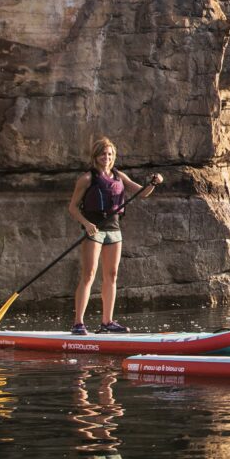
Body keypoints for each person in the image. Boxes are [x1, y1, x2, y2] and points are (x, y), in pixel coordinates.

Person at [65, 137, 162, 334]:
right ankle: (78, 323)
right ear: (95, 156)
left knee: (112, 275)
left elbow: (142, 193)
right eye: (103, 154)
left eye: (109, 154)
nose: (106, 157)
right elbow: (73, 208)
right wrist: (86, 224)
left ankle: (107, 321)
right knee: (89, 275)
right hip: (95, 231)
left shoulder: (119, 176)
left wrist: (154, 182)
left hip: (114, 230)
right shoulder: (86, 179)